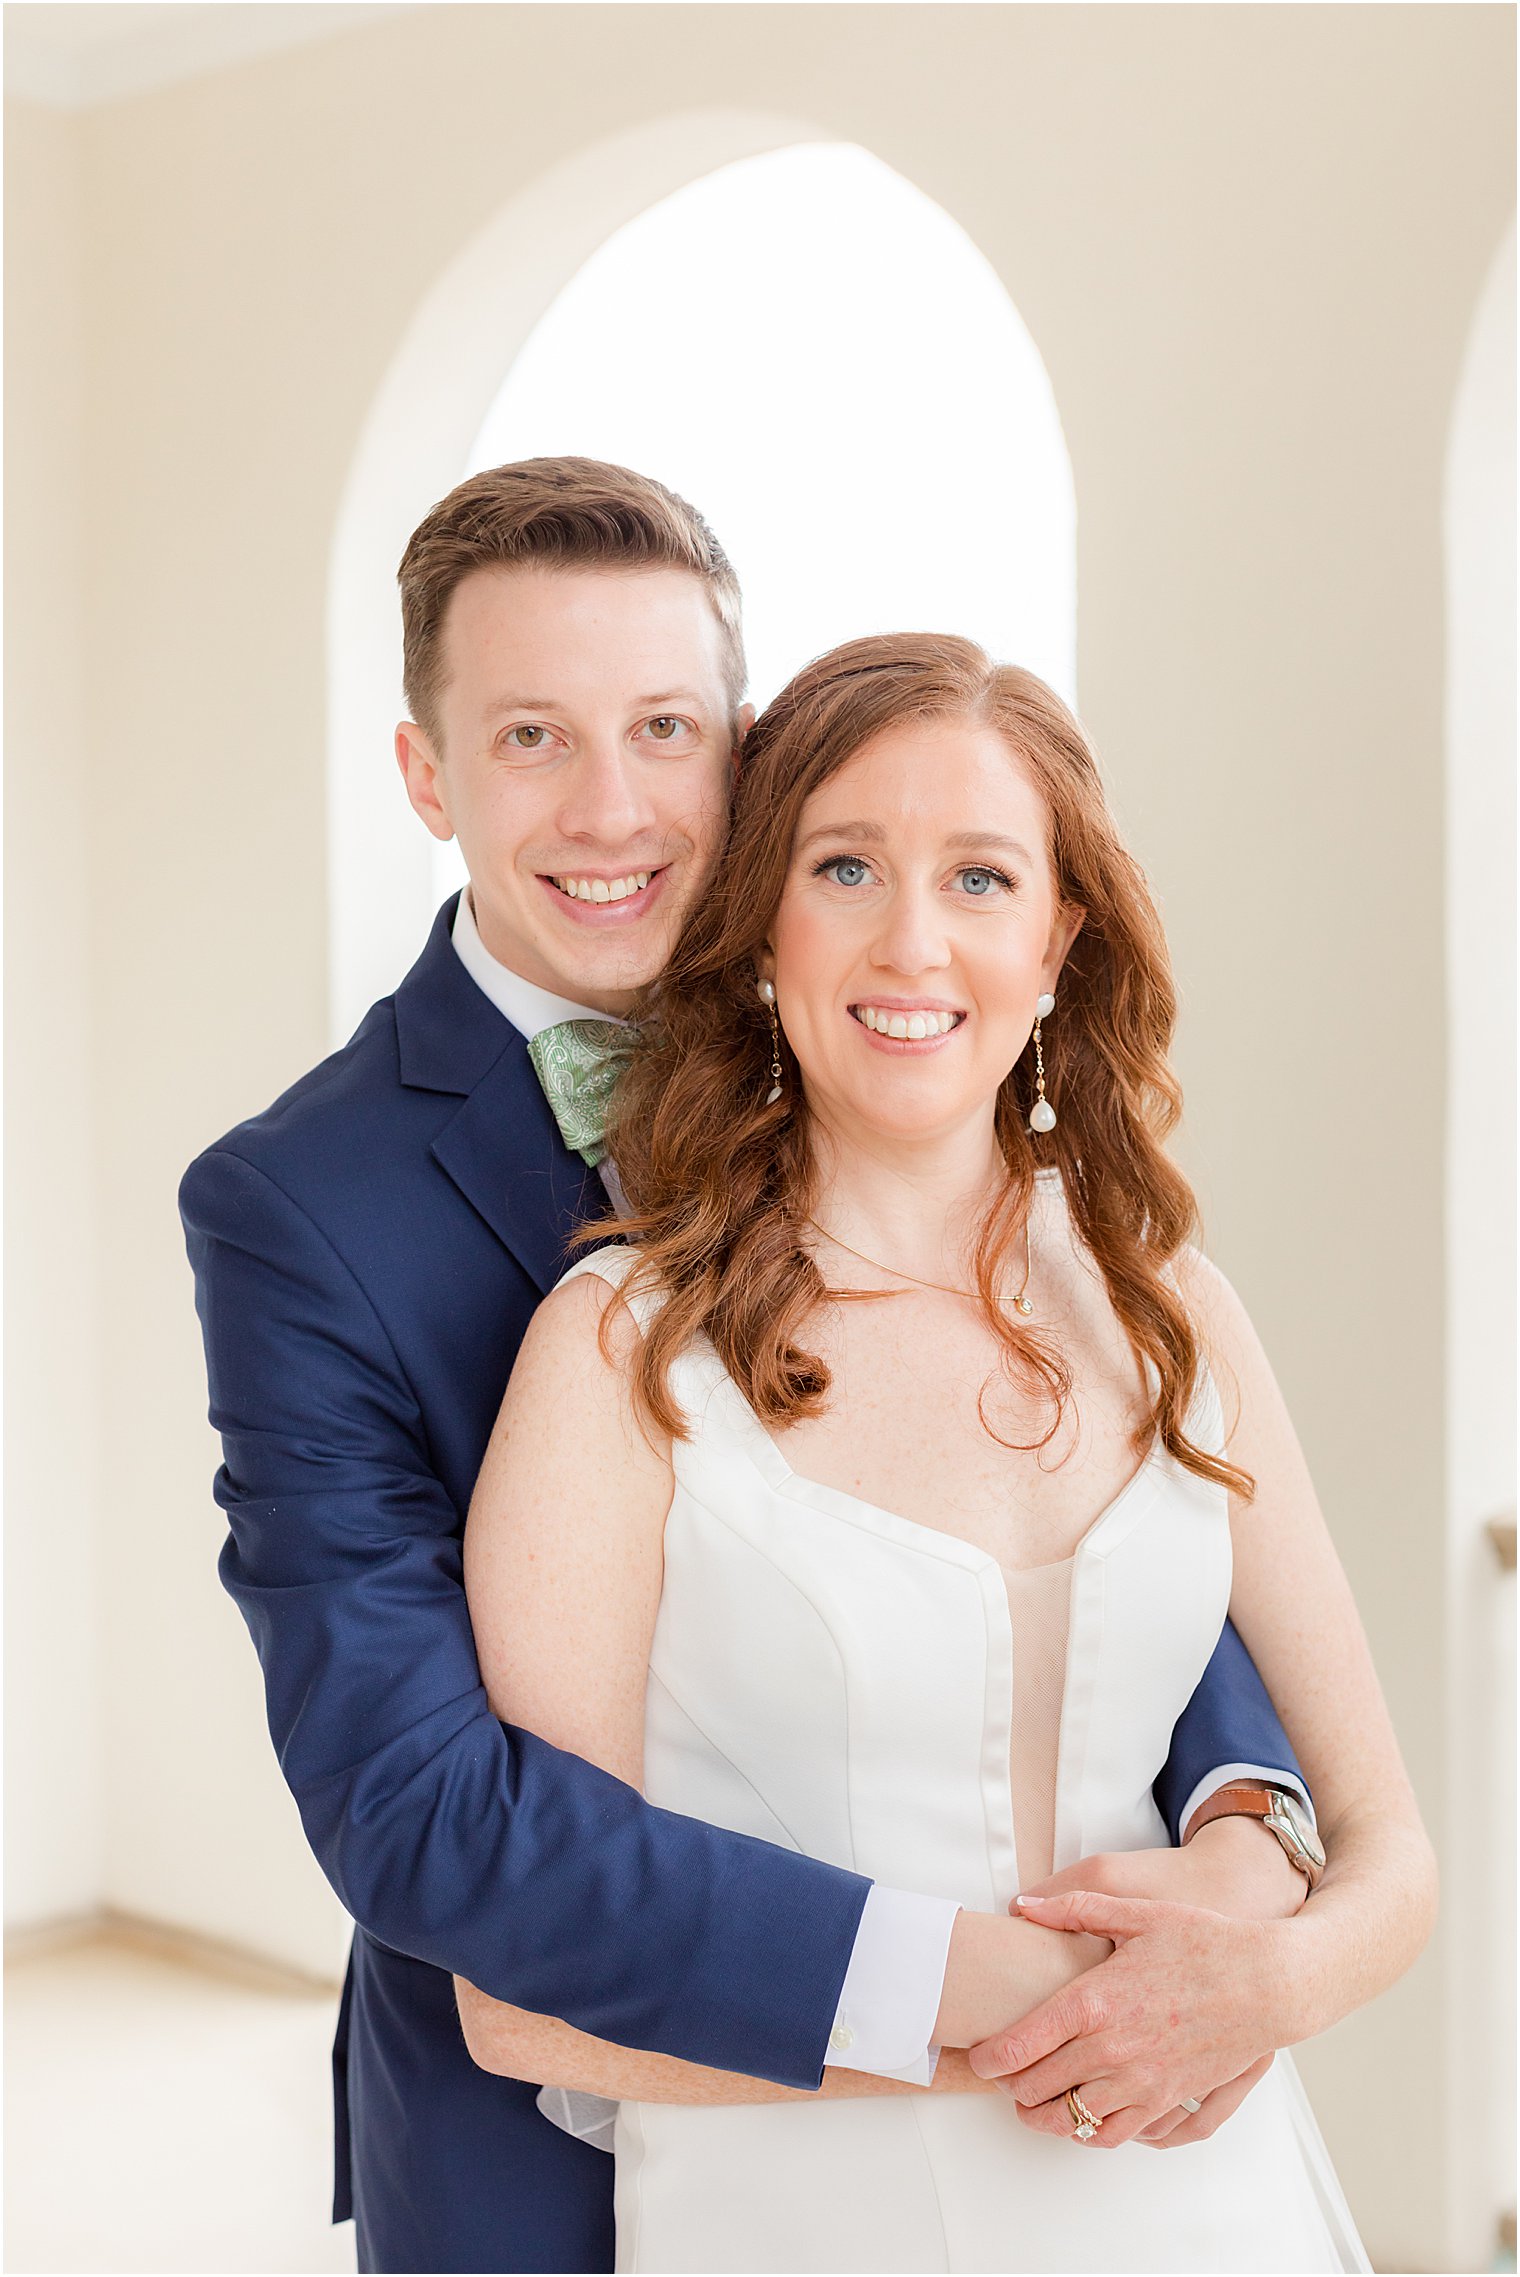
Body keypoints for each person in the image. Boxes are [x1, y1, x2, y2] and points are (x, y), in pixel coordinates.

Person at [181, 462, 1327, 2276]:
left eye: (666, 729)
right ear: (428, 773)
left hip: (1079, 2108)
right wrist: (1002, 1986)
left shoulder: (893, 1041)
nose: (614, 806)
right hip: (563, 2116)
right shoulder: (296, 1207)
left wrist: (1249, 1811)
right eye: (534, 738)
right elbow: (425, 1807)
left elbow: (1085, 1519)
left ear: (750, 753)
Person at [454, 631, 1436, 2272]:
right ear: (764, 919)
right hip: (807, 2223)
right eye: (847, 865)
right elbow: (519, 1998)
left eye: (980, 877)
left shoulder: (1175, 1307)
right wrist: (1068, 2021)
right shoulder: (619, 1349)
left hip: (1213, 2202)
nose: (913, 938)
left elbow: (1391, 1851)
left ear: (1057, 942)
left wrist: (1273, 1982)